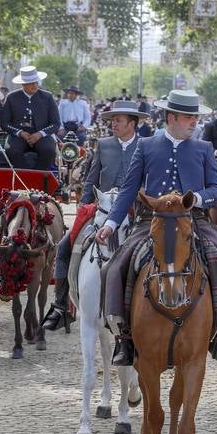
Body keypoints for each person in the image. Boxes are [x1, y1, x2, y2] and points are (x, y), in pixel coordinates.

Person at [95, 89, 217, 369]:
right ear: (171, 117)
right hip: (151, 221)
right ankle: (125, 338)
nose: (194, 122)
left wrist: (198, 198)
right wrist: (111, 223)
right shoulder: (145, 146)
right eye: (188, 117)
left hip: (194, 221)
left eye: (196, 117)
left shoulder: (203, 149)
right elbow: (129, 190)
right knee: (113, 267)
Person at [42, 99, 149, 332]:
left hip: (137, 213)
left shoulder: (147, 146)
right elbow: (91, 179)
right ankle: (61, 306)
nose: (113, 125)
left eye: (118, 121)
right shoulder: (104, 144)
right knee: (63, 248)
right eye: (112, 121)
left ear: (132, 123)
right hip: (101, 210)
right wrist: (84, 206)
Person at [0, 66, 60, 171]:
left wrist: (40, 134)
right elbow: (4, 123)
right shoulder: (11, 97)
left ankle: (39, 178)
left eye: (36, 81)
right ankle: (22, 178)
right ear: (23, 84)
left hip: (42, 135)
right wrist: (20, 133)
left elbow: (56, 123)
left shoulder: (47, 97)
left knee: (49, 150)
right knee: (12, 150)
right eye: (31, 83)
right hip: (19, 136)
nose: (35, 85)